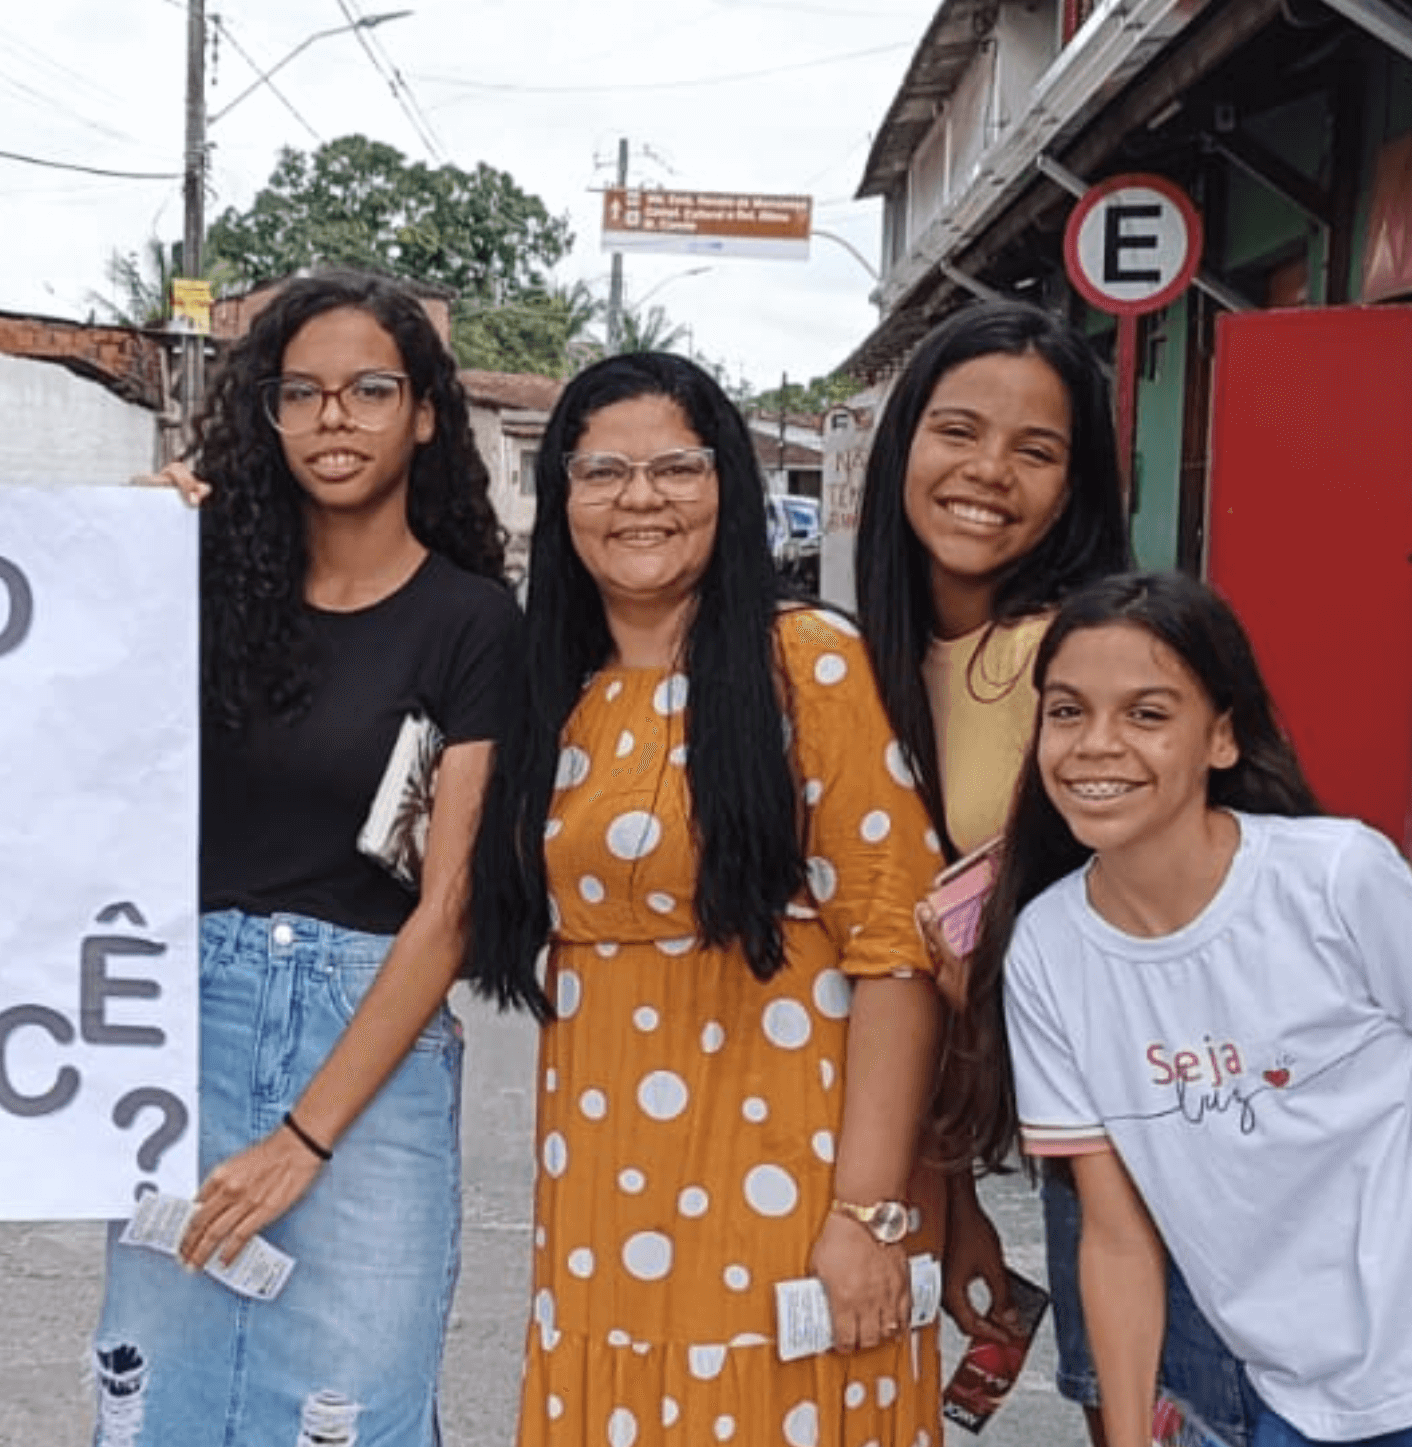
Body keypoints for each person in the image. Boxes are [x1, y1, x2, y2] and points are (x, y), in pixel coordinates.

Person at [960, 569, 1412, 1447]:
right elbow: (1117, 1240)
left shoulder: (1337, 878)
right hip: (1302, 1397)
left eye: (1147, 713)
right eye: (1067, 711)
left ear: (1221, 737)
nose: (1096, 744)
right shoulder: (1048, 951)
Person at [467, 352, 948, 1446]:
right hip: (599, 1208)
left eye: (676, 467)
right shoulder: (554, 694)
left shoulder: (807, 665)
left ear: (727, 484)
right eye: (602, 472)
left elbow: (897, 952)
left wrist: (867, 1213)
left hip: (787, 1195)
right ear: (562, 500)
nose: (639, 497)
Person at [89, 271, 519, 1447]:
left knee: (350, 1404)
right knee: (162, 1395)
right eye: (302, 392)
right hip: (185, 1025)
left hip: (371, 1038)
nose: (334, 417)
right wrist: (118, 549)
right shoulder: (199, 587)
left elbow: (448, 909)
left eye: (369, 390)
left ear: (422, 413)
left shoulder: (474, 623)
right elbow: (64, 746)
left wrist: (304, 1137)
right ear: (267, 414)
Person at [854, 300, 1250, 1443]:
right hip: (1050, 1131)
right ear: (903, 442)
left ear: (1076, 484)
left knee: (1177, 1413)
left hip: (1175, 1119)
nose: (988, 472)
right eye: (957, 431)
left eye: (1035, 449)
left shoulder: (1088, 660)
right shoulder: (864, 659)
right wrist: (955, 1192)